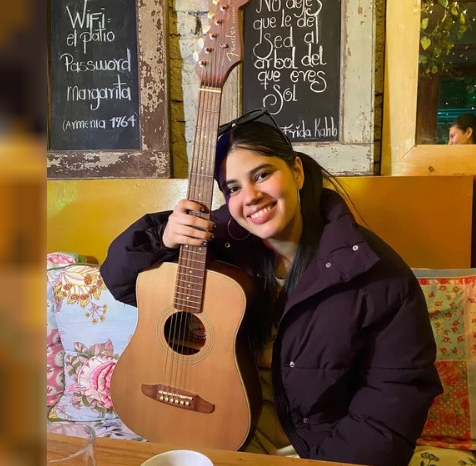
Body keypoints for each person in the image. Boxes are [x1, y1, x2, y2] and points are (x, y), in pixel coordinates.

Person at [100, 108, 442, 466]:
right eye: (233, 188)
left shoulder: (377, 274)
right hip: (208, 437)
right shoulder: (218, 245)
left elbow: (393, 400)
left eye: (262, 175)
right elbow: (121, 281)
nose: (250, 197)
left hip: (313, 453)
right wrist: (162, 237)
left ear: (296, 172)